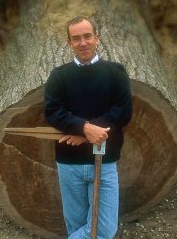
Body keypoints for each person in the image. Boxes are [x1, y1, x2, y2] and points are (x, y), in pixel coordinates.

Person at [44, 16, 132, 239]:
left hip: (104, 159)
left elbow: (122, 112)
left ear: (96, 38)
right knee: (75, 225)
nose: (83, 43)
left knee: (104, 229)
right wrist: (84, 128)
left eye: (87, 36)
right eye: (76, 38)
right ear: (69, 43)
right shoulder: (58, 76)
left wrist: (87, 135)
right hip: (69, 163)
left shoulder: (116, 73)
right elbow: (53, 112)